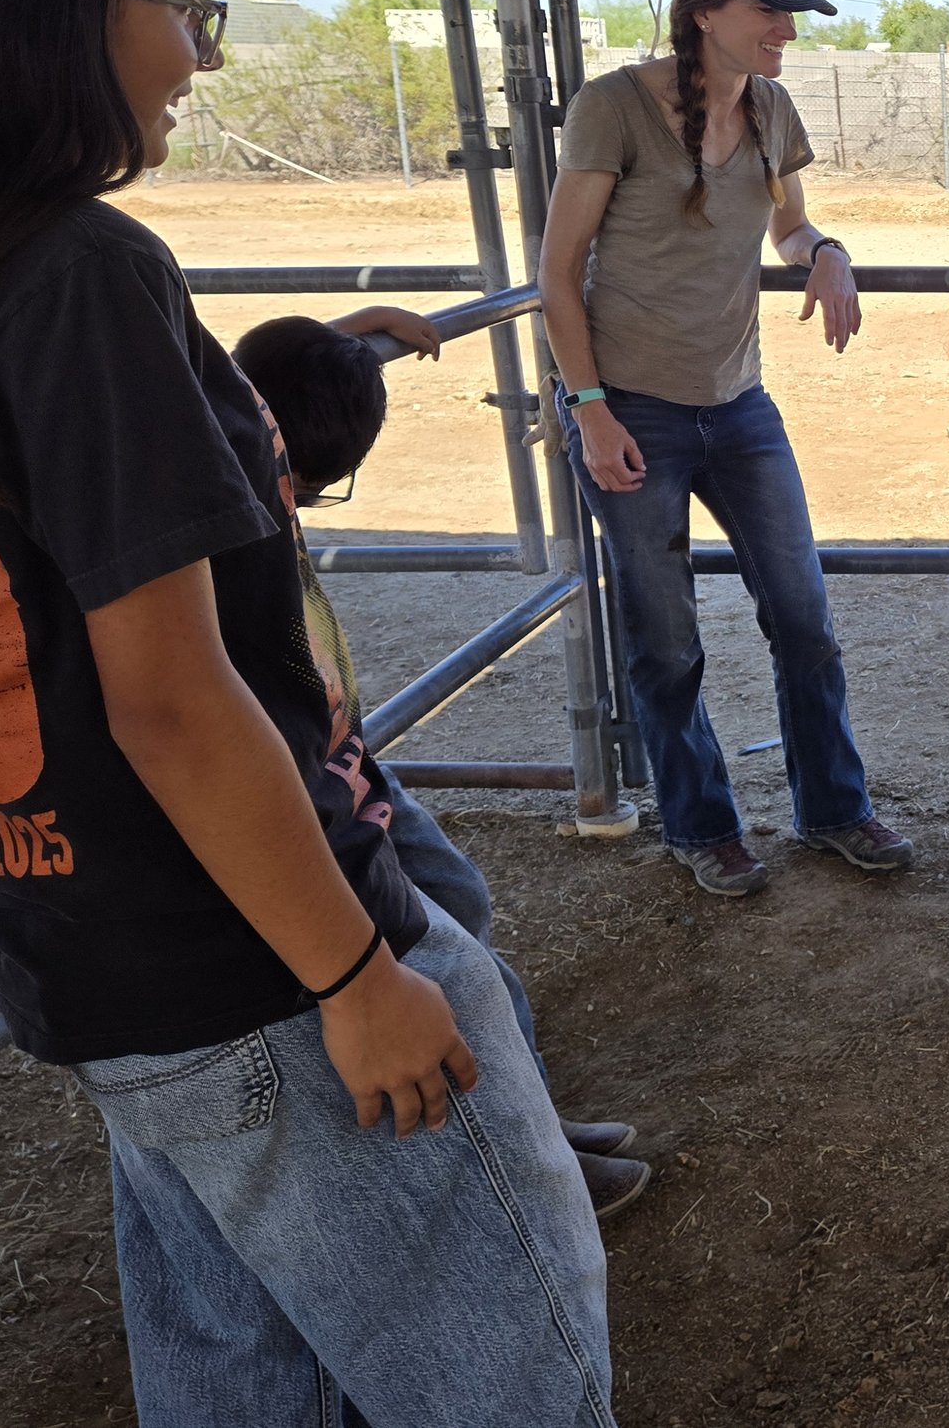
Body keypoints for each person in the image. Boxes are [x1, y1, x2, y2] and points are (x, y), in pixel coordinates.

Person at [0, 0, 614, 1422]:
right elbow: (170, 698)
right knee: (510, 1374)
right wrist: (353, 979)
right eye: (179, 4)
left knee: (239, 1371)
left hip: (75, 951)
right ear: (45, 4)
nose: (196, 50)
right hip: (253, 961)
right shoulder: (79, 274)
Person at [231, 307, 649, 1220]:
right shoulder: (223, 530)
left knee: (455, 901)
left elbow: (247, 379)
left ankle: (527, 1114)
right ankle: (524, 1167)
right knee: (431, 953)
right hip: (303, 784)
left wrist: (355, 332)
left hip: (343, 760)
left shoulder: (229, 432)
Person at [539, 0, 910, 897]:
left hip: (740, 405)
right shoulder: (612, 107)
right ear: (704, 12)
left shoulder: (773, 112)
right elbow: (558, 271)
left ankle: (832, 807)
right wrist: (591, 408)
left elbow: (789, 230)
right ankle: (702, 826)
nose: (786, 27)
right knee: (665, 641)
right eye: (768, 9)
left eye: (789, 10)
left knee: (803, 617)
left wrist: (824, 253)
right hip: (634, 413)